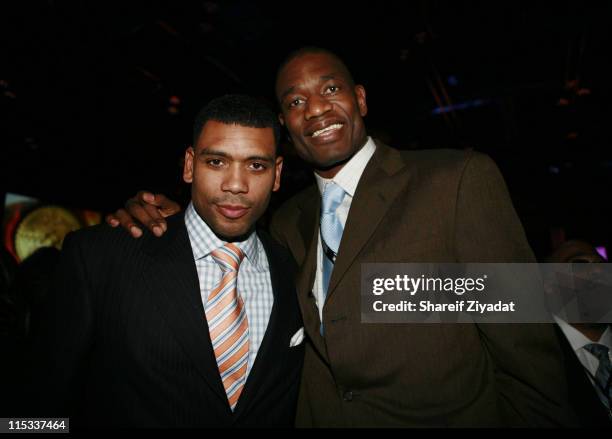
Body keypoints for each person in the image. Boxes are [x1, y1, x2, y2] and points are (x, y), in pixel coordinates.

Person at [108, 47, 577, 427]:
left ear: (361, 99)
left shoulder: (454, 180)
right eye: (294, 102)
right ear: (284, 128)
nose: (314, 109)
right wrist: (172, 225)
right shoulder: (286, 219)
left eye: (329, 89)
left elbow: (525, 350)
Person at [25, 94, 304, 428]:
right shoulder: (100, 257)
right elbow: (39, 404)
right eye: (216, 162)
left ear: (276, 174)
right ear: (189, 165)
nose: (235, 185)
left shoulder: (293, 270)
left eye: (256, 165)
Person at [547, 240, 611, 426]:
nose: (599, 271)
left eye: (604, 264)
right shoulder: (529, 360)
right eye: (579, 264)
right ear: (548, 284)